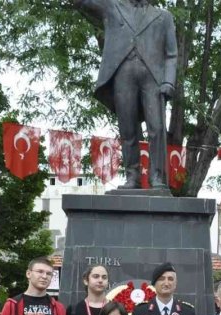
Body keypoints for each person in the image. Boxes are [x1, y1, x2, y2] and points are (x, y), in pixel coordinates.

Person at [73, 0, 177, 189]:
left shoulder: (164, 17)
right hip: (123, 75)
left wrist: (169, 81)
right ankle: (132, 176)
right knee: (127, 128)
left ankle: (157, 177)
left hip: (153, 78)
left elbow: (171, 55)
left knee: (157, 128)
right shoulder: (113, 7)